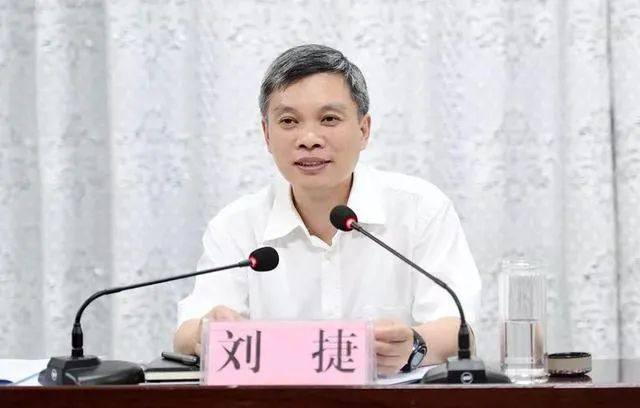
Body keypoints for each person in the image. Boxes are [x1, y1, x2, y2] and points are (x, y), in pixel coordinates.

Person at [173, 44, 481, 375]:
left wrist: (414, 344)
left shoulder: (420, 209)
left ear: (364, 130)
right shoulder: (236, 225)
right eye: (288, 121)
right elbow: (187, 333)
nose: (309, 139)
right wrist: (205, 331)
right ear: (266, 134)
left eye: (329, 119)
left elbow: (458, 328)